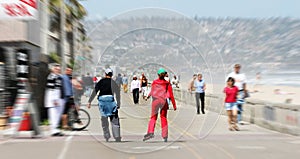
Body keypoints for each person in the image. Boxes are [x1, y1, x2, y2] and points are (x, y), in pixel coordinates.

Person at [87, 68, 121, 142]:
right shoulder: (113, 82)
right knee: (114, 119)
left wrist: (89, 101)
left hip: (102, 101)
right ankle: (117, 136)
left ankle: (106, 135)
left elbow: (95, 91)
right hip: (110, 100)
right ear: (111, 75)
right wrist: (118, 103)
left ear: (105, 74)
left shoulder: (101, 81)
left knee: (104, 118)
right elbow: (117, 93)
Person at [143, 68, 177, 142]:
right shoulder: (167, 83)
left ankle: (150, 132)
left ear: (158, 75)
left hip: (155, 101)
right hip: (163, 101)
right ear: (164, 75)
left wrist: (147, 97)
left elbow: (152, 91)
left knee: (153, 117)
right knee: (163, 118)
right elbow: (171, 95)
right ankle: (165, 136)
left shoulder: (155, 82)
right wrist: (174, 105)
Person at [44, 63, 65, 136]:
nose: (58, 70)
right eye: (56, 69)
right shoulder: (51, 77)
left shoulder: (58, 77)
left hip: (58, 96)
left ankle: (55, 128)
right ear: (52, 69)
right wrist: (54, 100)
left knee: (58, 114)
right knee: (53, 114)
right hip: (53, 97)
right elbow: (51, 89)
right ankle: (53, 130)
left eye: (59, 69)